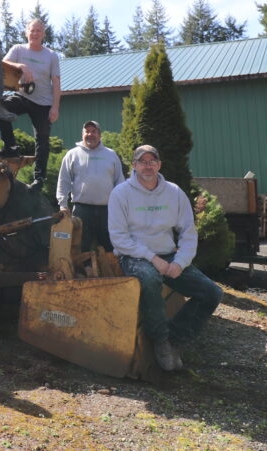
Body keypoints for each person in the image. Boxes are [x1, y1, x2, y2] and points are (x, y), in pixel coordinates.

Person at [108, 145, 223, 371]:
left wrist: (180, 262)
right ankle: (160, 340)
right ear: (134, 165)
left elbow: (188, 233)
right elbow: (119, 239)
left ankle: (174, 340)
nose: (148, 165)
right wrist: (153, 258)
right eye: (142, 161)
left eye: (152, 161)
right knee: (150, 279)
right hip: (134, 256)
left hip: (169, 255)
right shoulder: (120, 194)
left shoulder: (174, 193)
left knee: (212, 293)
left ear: (159, 165)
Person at [0, 19, 62, 191]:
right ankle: (11, 147)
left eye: (39, 30)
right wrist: (20, 66)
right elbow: (2, 63)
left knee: (43, 139)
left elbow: (56, 83)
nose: (35, 33)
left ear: (43, 34)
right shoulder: (18, 49)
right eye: (32, 30)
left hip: (43, 103)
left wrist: (55, 107)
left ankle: (39, 179)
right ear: (26, 33)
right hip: (22, 96)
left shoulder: (51, 56)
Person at [56, 120, 124, 251]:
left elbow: (120, 182)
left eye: (94, 131)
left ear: (100, 135)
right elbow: (63, 180)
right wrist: (62, 204)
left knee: (111, 246)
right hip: (82, 210)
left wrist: (121, 206)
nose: (90, 134)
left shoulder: (111, 155)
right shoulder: (72, 154)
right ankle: (84, 270)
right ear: (82, 134)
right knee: (81, 246)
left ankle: (112, 271)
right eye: (87, 131)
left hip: (107, 210)